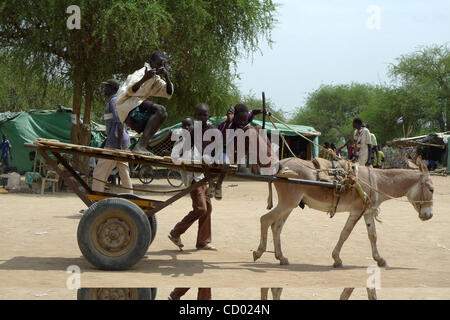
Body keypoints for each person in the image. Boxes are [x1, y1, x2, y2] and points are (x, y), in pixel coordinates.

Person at [168, 110, 217, 251]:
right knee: (201, 208)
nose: (187, 128)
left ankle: (203, 241)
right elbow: (177, 157)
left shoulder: (198, 138)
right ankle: (175, 232)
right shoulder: (182, 140)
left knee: (208, 209)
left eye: (189, 126)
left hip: (201, 178)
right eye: (184, 126)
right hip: (193, 179)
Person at [116, 51, 173, 154]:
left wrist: (167, 77)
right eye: (158, 64)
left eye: (162, 65)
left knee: (162, 115)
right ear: (151, 62)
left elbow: (168, 92)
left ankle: (141, 145)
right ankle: (140, 146)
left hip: (135, 105)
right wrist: (144, 78)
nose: (160, 67)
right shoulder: (142, 72)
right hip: (126, 103)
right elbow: (131, 90)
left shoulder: (156, 78)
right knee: (160, 110)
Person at [91, 79, 133, 194]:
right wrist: (107, 140)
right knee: (124, 173)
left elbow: (119, 122)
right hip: (121, 141)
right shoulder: (117, 101)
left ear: (112, 89)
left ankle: (94, 201)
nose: (104, 89)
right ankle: (131, 200)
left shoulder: (113, 101)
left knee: (99, 173)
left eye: (106, 87)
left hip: (116, 144)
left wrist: (117, 146)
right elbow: (116, 124)